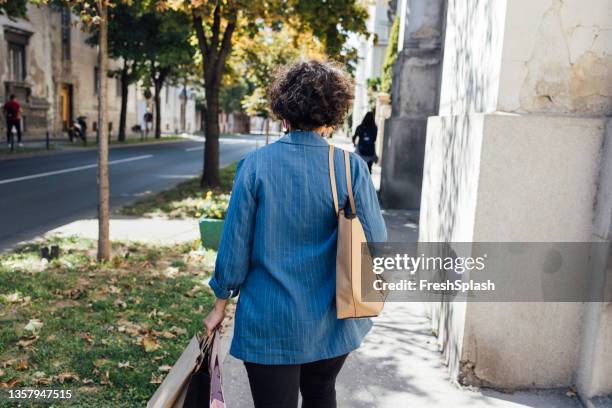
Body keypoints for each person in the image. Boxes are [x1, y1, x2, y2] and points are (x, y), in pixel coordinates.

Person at [203, 60, 387, 408]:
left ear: (283, 109)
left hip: (268, 322)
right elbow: (375, 244)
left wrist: (220, 305)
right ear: (333, 113)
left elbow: (234, 249)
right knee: (320, 395)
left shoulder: (255, 166)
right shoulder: (351, 169)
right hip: (332, 321)